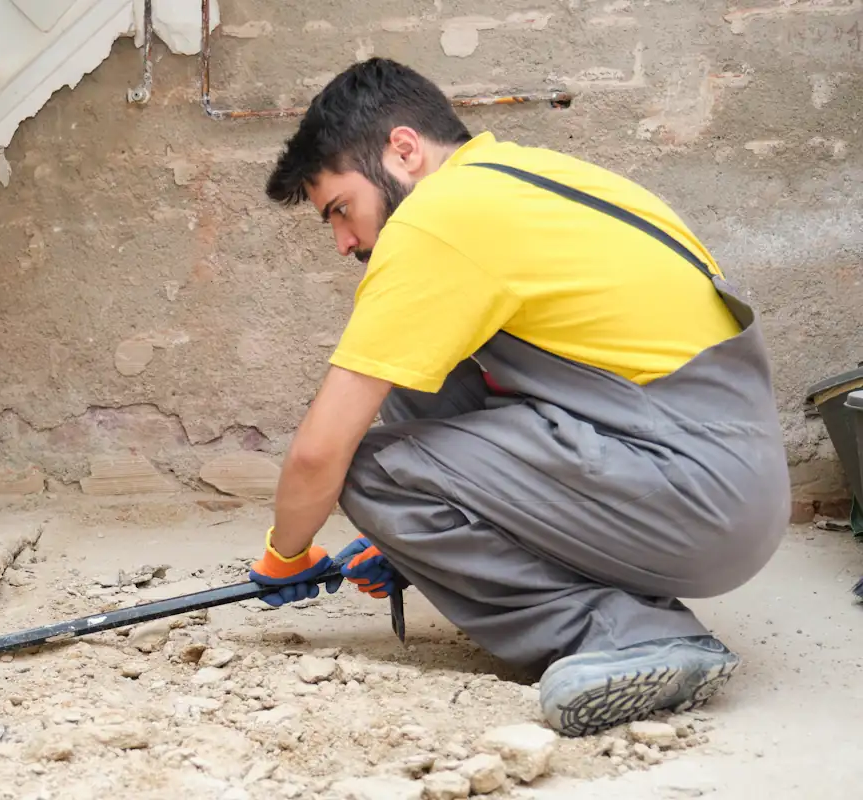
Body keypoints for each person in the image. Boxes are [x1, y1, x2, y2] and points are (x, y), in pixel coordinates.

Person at [244, 57, 791, 737]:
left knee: (365, 467)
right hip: (716, 471)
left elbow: (318, 453)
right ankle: (614, 608)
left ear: (403, 150)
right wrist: (416, 542)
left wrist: (286, 557)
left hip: (693, 489)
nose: (343, 242)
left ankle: (628, 635)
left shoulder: (437, 220)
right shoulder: (530, 178)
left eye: (341, 210)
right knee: (422, 380)